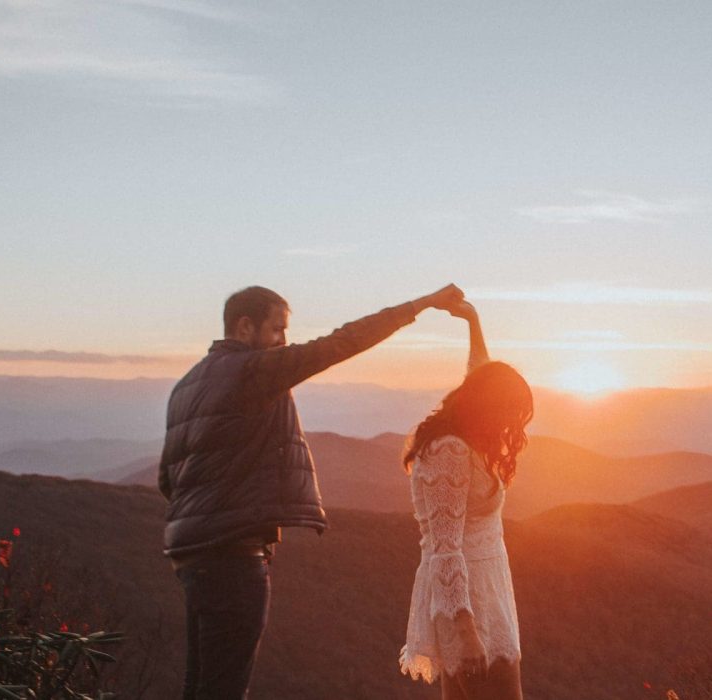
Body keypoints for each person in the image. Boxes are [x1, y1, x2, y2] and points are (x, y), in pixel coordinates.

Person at [160, 283, 464, 700]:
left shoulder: (185, 387)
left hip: (192, 560)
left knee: (200, 688)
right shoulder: (254, 371)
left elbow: (167, 479)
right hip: (234, 557)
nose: (284, 342)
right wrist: (422, 304)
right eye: (277, 330)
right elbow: (340, 343)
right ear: (245, 327)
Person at [399, 299, 531, 700]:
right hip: (468, 602)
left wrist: (473, 322)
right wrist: (465, 629)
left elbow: (480, 372)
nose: (510, 424)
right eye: (508, 412)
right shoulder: (449, 452)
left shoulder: (468, 438)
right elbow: (444, 547)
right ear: (486, 406)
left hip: (486, 592)